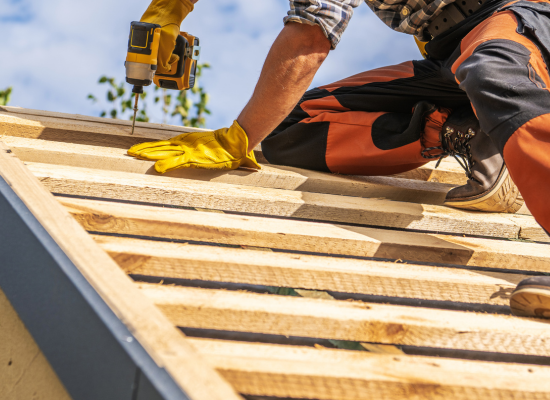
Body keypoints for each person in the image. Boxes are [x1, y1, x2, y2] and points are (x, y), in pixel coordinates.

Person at [128, 0, 550, 318]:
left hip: (522, 20)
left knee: (493, 68)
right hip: (449, 53)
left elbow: (312, 35)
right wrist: (172, 7)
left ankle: (495, 116)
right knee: (288, 126)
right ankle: (473, 131)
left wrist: (237, 138)